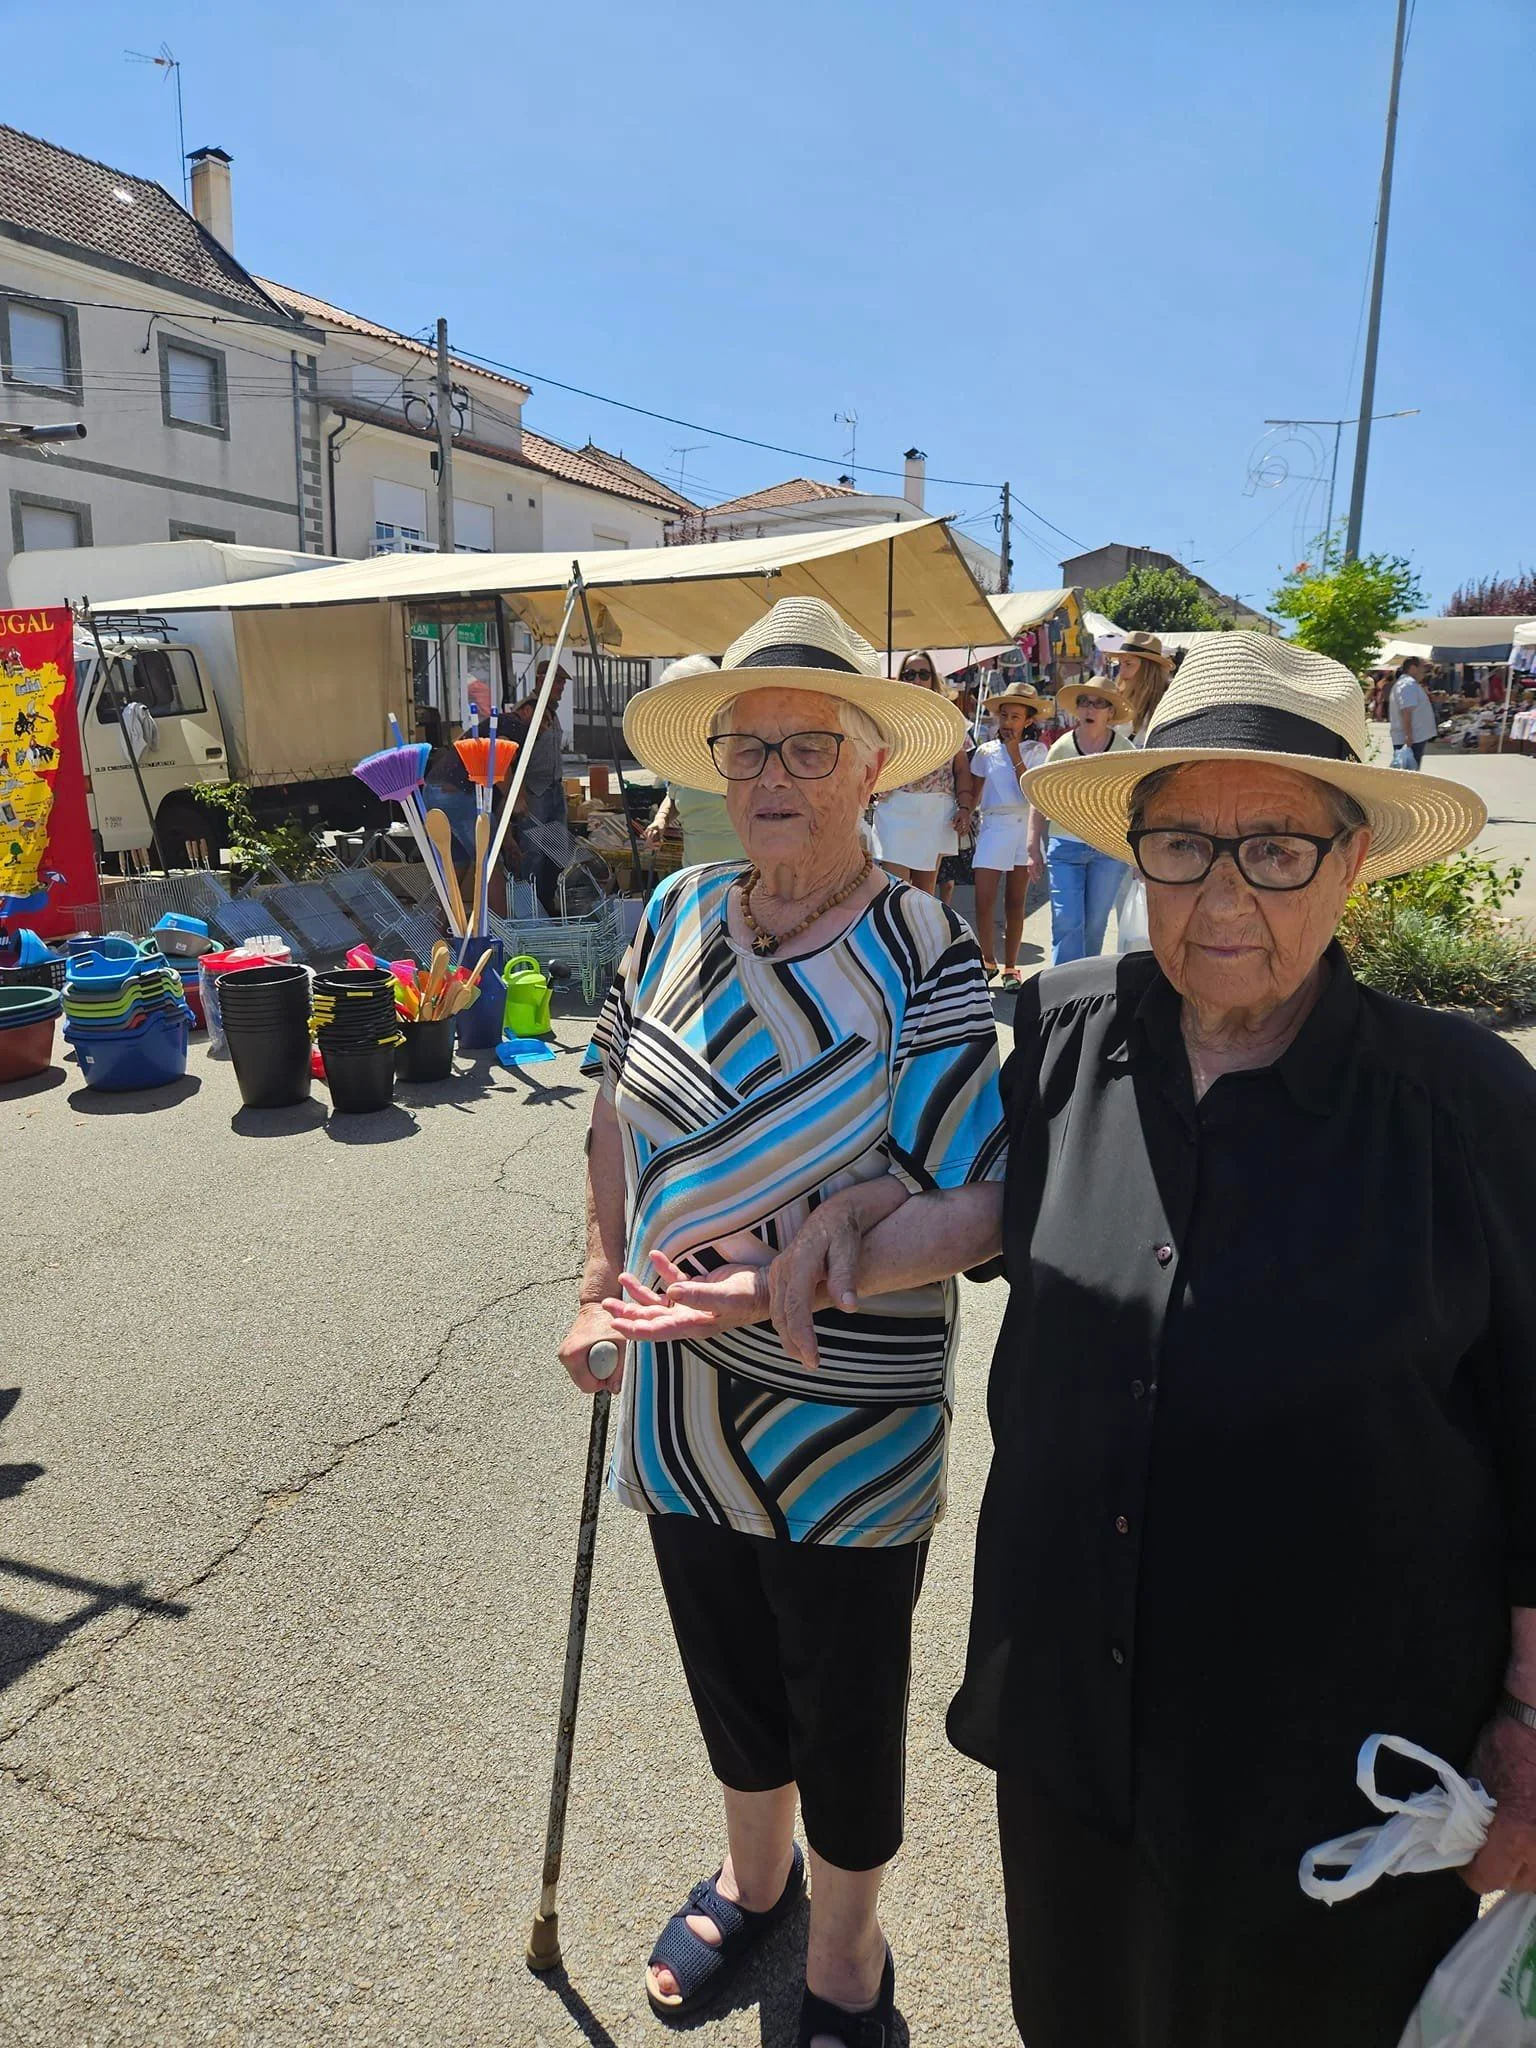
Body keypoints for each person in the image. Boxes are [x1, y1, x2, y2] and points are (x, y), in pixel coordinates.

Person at [719, 631, 1532, 2048]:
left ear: (1351, 864)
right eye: (1181, 848)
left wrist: (1527, 1735)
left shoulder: (1465, 1107)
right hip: (1072, 1742)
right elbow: (970, 1191)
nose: (1222, 896)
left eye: (1275, 849)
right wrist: (858, 1218)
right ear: (1136, 857)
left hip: (1338, 1773)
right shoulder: (1058, 1031)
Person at [562, 595, 1006, 2047]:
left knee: (844, 1692)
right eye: (746, 746)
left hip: (846, 1415)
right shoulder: (680, 911)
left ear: (873, 766)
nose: (771, 776)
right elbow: (612, 1121)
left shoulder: (926, 945)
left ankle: (847, 1949)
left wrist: (797, 1270)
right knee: (729, 1670)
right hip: (678, 1409)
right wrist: (594, 1284)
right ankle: (755, 1882)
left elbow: (982, 1203)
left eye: (809, 746)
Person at [1028, 677, 1133, 963]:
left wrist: (1137, 855)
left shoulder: (1125, 751)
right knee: (1066, 922)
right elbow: (1040, 797)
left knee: (1095, 926)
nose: (1090, 708)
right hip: (1065, 846)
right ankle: (1062, 993)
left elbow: (1136, 805)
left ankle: (1084, 991)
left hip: (1109, 850)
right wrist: (1032, 844)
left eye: (1098, 703)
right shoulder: (1061, 748)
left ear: (1110, 712)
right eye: (1084, 702)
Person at [870, 651, 977, 895]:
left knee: (924, 892)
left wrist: (965, 807)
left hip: (935, 809)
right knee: (895, 889)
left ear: (932, 679)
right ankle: (897, 933)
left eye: (923, 674)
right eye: (909, 674)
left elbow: (961, 768)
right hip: (895, 807)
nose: (916, 680)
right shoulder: (889, 718)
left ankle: (918, 934)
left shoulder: (949, 718)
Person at [968, 684, 1049, 984]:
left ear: (1028, 721)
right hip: (993, 826)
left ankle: (1011, 967)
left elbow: (1031, 793)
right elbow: (974, 791)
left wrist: (1015, 751)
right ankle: (987, 960)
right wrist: (965, 812)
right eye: (1004, 716)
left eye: (1015, 716)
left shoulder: (1038, 751)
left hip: (1023, 827)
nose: (1007, 723)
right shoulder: (985, 751)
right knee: (983, 899)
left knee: (1016, 901)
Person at [641, 656, 748, 867]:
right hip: (696, 875)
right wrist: (661, 819)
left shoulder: (738, 746)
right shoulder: (683, 755)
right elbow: (674, 795)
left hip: (745, 875)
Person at [505, 662, 570, 910]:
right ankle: (527, 907)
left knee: (556, 849)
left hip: (553, 788)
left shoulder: (550, 712)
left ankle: (547, 902)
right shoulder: (528, 711)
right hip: (534, 790)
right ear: (541, 680)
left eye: (563, 683)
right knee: (533, 851)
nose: (561, 687)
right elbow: (514, 755)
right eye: (557, 682)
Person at [1390, 656, 1438, 767]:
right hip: (1412, 738)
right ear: (1413, 668)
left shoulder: (1409, 684)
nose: (1425, 672)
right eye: (1423, 667)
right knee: (1408, 774)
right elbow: (1406, 710)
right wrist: (1408, 735)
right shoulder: (1408, 685)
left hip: (1414, 736)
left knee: (1408, 772)